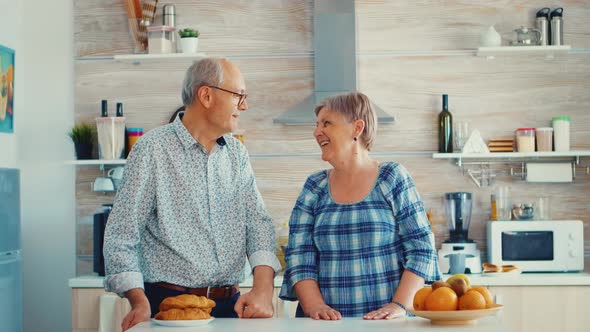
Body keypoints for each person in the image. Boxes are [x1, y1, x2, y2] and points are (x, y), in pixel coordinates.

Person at [103, 57, 281, 330]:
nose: (244, 106)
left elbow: (257, 223)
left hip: (230, 306)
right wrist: (139, 302)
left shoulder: (236, 153)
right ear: (206, 95)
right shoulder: (152, 149)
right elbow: (121, 235)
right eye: (239, 95)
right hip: (168, 308)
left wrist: (263, 288)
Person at [279, 92, 441, 320]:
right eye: (316, 125)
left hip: (387, 325)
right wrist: (315, 306)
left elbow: (421, 248)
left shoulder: (392, 178)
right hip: (324, 326)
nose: (317, 132)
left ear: (357, 128)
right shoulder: (315, 186)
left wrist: (399, 306)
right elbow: (299, 255)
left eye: (327, 123)